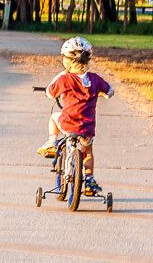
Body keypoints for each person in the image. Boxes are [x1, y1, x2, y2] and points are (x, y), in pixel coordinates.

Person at [36, 36, 114, 195]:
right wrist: (104, 94)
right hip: (87, 127)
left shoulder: (65, 79)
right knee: (88, 151)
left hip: (68, 123)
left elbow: (50, 93)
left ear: (67, 61)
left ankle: (52, 142)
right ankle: (89, 180)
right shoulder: (95, 79)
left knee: (53, 117)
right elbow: (110, 91)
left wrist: (57, 80)